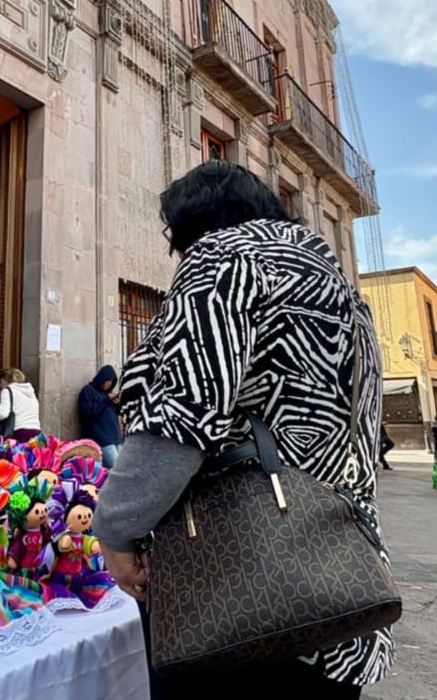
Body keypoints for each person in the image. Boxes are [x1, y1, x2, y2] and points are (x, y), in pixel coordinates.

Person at [93, 161, 394, 697]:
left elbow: (183, 418)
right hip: (337, 586)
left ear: (190, 225)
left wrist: (114, 531)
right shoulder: (342, 293)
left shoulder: (222, 262)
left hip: (236, 591)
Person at [78, 365, 123, 467]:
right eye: (108, 380)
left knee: (122, 468)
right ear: (102, 378)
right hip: (102, 439)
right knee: (117, 468)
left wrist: (118, 404)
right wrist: (106, 400)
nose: (109, 383)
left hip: (115, 438)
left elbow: (117, 413)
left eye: (112, 381)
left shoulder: (108, 394)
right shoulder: (88, 390)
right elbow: (88, 411)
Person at [0, 367, 43, 442]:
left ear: (3, 380)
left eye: (0, 382)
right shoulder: (31, 393)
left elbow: (2, 413)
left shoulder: (7, 390)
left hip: (20, 433)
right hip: (36, 434)